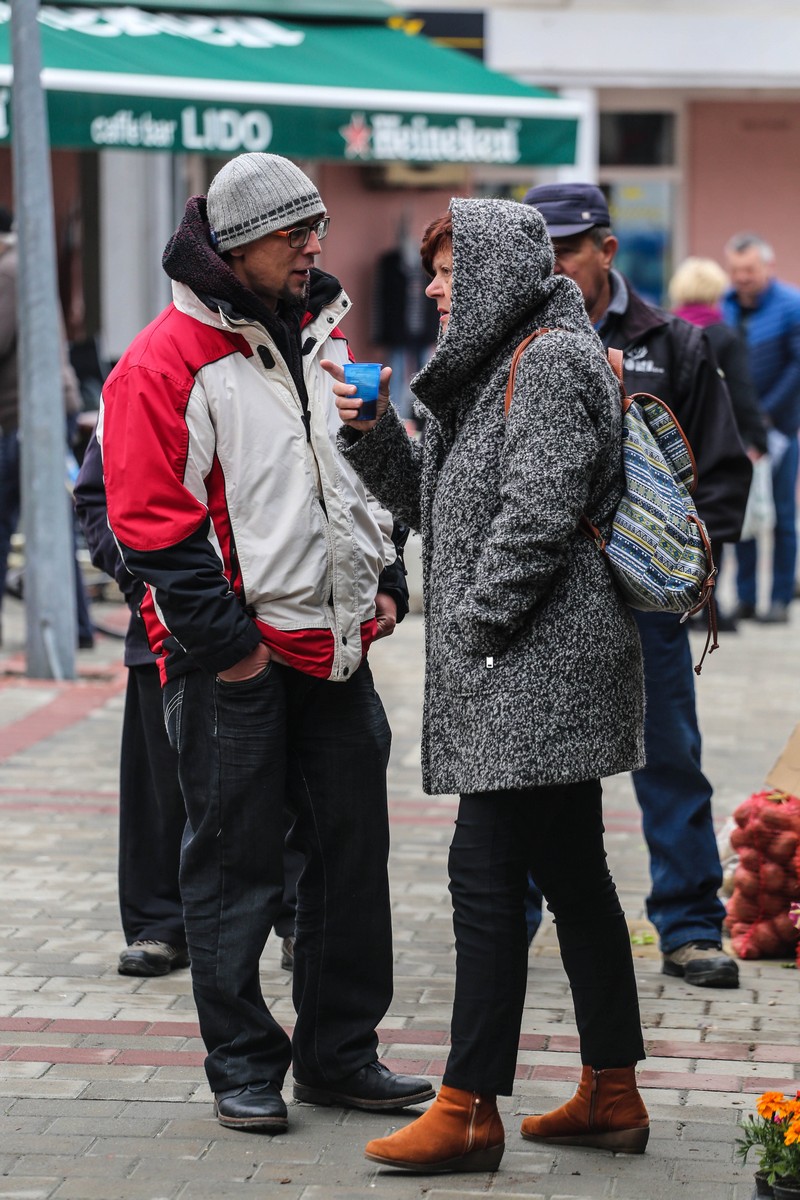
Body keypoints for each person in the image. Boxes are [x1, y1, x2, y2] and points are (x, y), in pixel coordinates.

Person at [97, 152, 433, 1134]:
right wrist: (232, 651)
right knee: (233, 873)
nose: (315, 247)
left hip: (336, 655)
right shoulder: (162, 364)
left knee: (347, 861)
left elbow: (364, 490)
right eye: (296, 234)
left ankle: (339, 1055)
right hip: (231, 670)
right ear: (238, 245)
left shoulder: (326, 346)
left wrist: (387, 584)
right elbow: (150, 529)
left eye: (316, 230)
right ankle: (243, 1064)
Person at [329, 197, 649, 1174]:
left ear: (497, 277)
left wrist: (473, 625)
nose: (429, 288)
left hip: (531, 672)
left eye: (444, 270)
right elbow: (436, 504)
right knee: (573, 879)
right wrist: (377, 432)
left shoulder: (547, 360)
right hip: (523, 668)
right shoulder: (492, 366)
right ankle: (609, 1090)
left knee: (483, 880)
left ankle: (469, 1107)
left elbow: (539, 511)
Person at [524, 183, 752, 989]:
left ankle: (690, 927)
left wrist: (680, 566)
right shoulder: (513, 336)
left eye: (563, 250)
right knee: (530, 762)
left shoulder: (670, 342)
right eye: (538, 249)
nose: (549, 266)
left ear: (605, 251)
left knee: (671, 760)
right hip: (544, 601)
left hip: (642, 605)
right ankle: (507, 923)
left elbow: (723, 473)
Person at [74, 431, 189, 977]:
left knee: (286, 780)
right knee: (158, 785)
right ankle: (160, 921)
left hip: (277, 619)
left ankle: (294, 918)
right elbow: (96, 494)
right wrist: (139, 583)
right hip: (161, 619)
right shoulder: (144, 369)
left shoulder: (309, 354)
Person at [0, 206, 94, 649]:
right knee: (53, 521)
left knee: (16, 521)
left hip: (23, 418)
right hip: (47, 411)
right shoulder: (29, 267)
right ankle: (75, 627)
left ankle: (68, 628)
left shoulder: (8, 271)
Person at [668, 255, 768, 631]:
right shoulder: (724, 336)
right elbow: (741, 394)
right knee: (713, 524)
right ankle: (709, 606)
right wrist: (755, 440)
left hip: (670, 446)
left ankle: (677, 601)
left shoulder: (666, 332)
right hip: (714, 444)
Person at [722, 233, 800, 625]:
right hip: (739, 431)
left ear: (767, 268)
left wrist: (765, 415)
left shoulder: (792, 305)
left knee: (782, 513)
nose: (742, 277)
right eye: (736, 270)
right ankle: (747, 598)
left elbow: (797, 367)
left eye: (749, 269)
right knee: (745, 515)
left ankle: (781, 599)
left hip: (782, 429)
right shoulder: (726, 305)